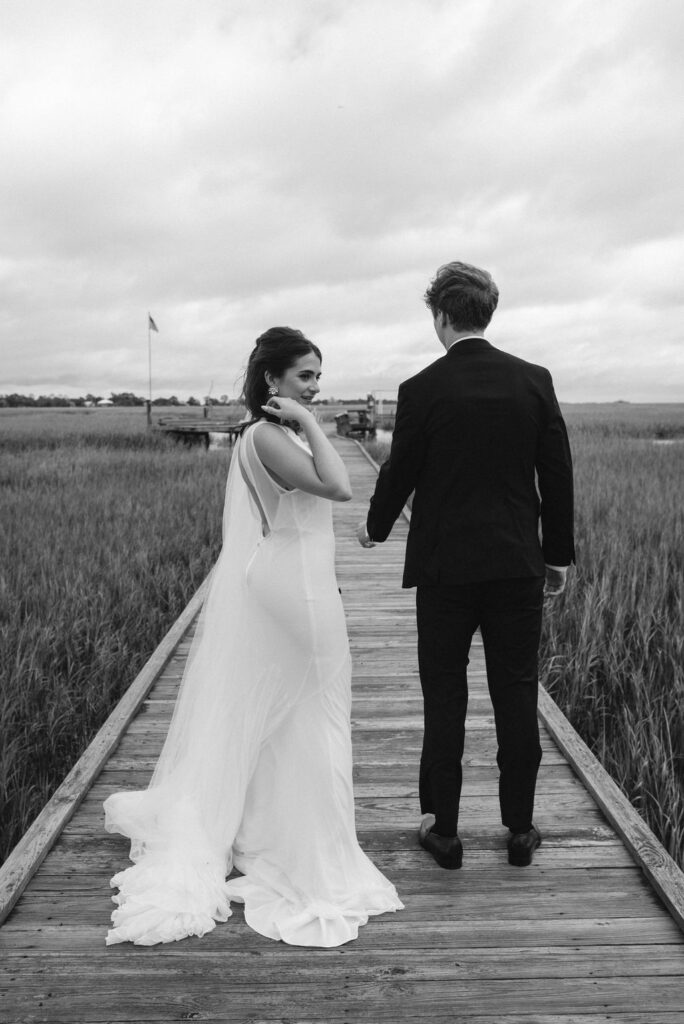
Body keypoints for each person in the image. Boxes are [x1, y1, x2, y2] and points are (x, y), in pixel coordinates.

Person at [104, 326, 402, 947]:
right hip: (293, 581)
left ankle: (276, 832)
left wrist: (304, 419)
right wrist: (311, 423)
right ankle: (312, 859)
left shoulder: (265, 434)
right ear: (272, 380)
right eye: (304, 377)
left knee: (295, 715)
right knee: (321, 710)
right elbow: (339, 486)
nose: (316, 388)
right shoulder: (269, 434)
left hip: (294, 576)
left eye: (319, 377)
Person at [357, 262, 575, 869]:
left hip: (445, 570)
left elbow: (400, 472)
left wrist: (375, 528)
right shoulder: (534, 380)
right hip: (516, 566)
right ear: (487, 313)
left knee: (444, 694)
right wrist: (555, 554)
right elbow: (556, 472)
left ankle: (444, 831)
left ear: (441, 316)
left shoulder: (421, 389)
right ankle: (520, 829)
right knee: (516, 692)